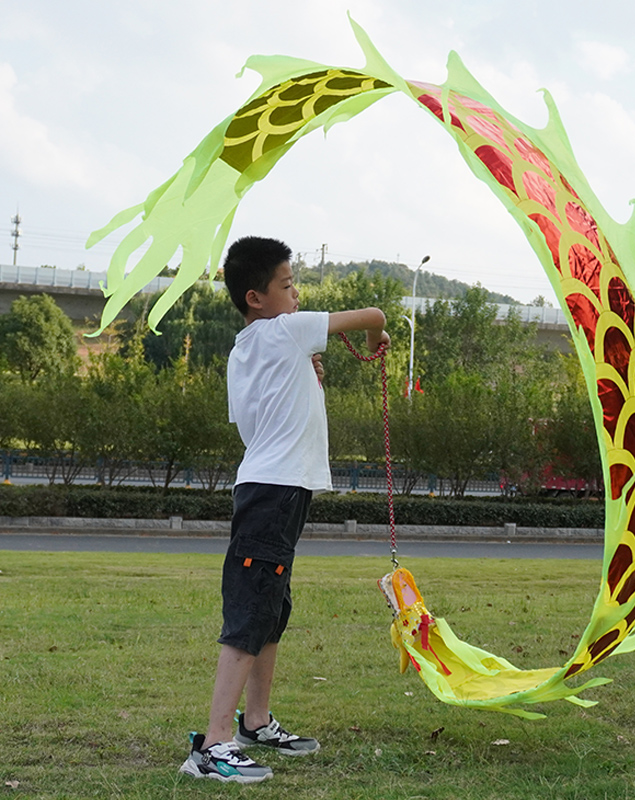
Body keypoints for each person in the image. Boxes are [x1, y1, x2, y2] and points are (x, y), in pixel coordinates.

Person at [180, 236, 390, 783]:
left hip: (274, 488)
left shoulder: (246, 347)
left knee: (272, 610)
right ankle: (213, 745)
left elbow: (258, 420)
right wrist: (378, 335)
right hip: (273, 491)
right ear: (256, 296)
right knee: (251, 612)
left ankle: (255, 723)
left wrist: (305, 375)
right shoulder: (286, 331)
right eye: (288, 284)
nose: (296, 294)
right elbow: (375, 313)